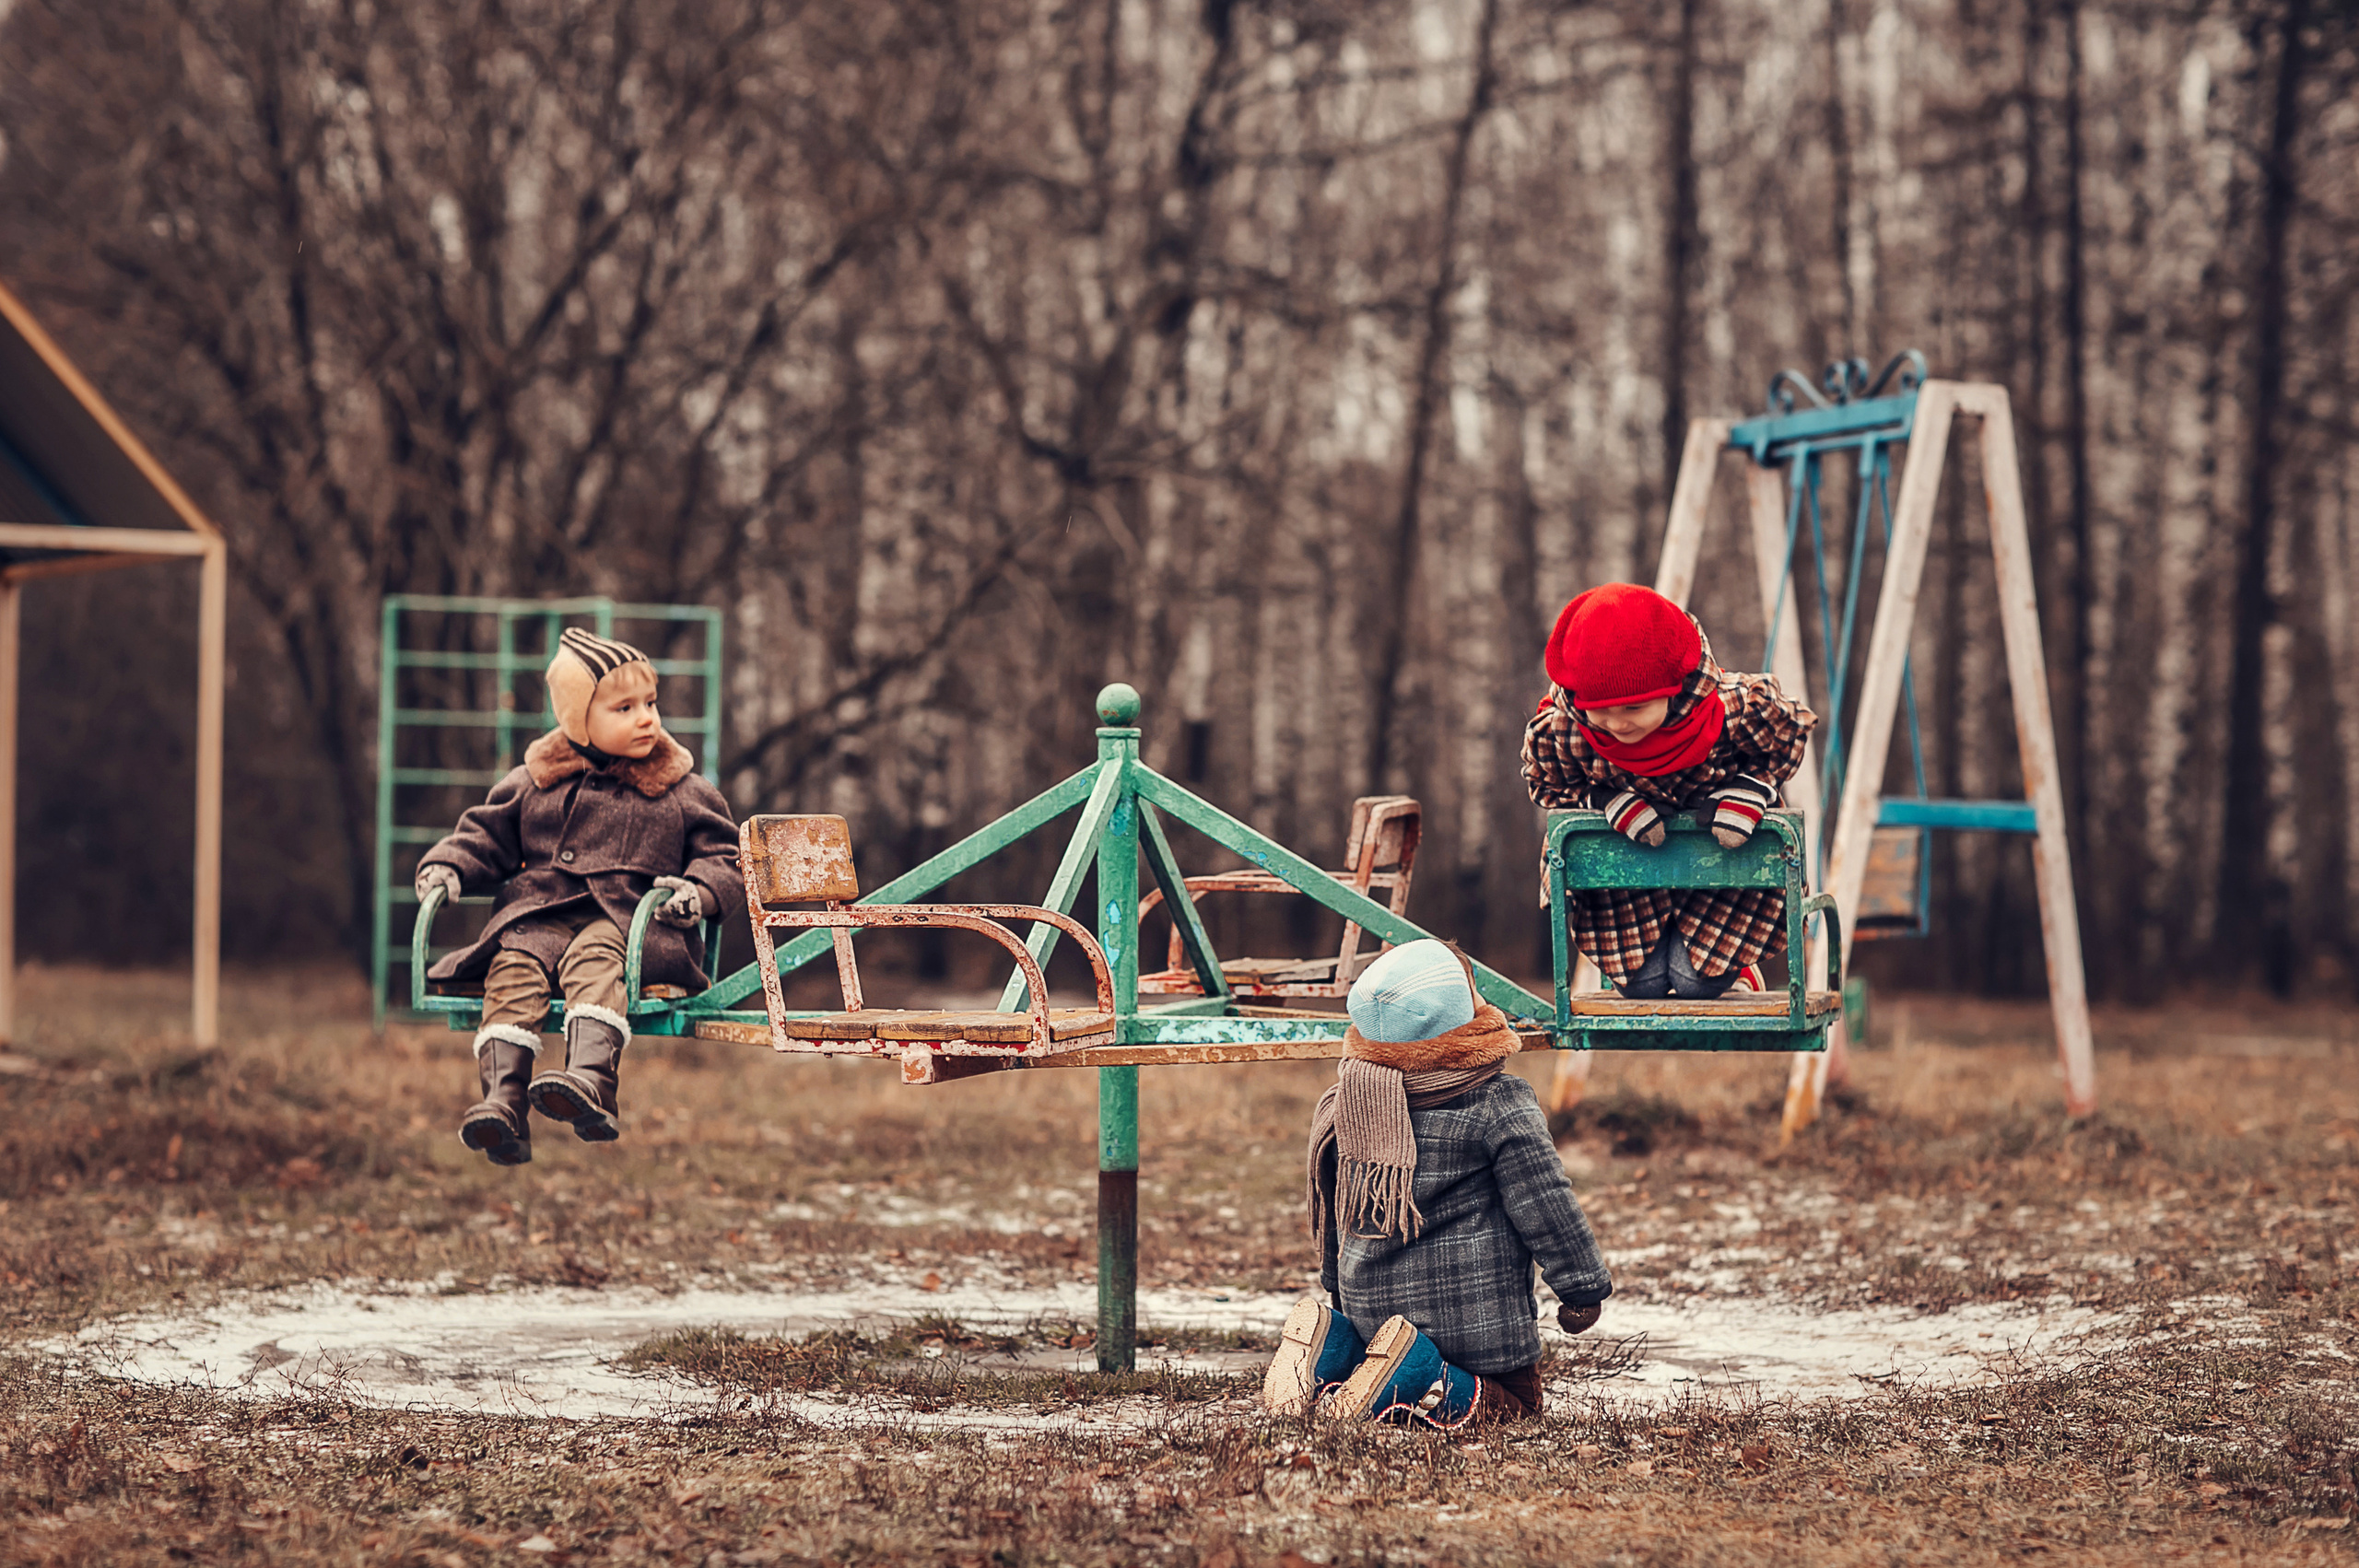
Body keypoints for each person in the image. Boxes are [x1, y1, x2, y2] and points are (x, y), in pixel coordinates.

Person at [415, 628, 742, 1165]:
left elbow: (724, 855)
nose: (646, 718)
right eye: (624, 707)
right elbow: (485, 837)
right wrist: (449, 867)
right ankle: (504, 1104)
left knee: (596, 958)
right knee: (512, 965)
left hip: (627, 919)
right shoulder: (536, 781)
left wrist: (700, 893)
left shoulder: (679, 788)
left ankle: (590, 1082)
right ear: (576, 720)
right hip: (540, 915)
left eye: (650, 703)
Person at [1262, 940, 1614, 1428]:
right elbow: (1545, 1202)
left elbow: (1332, 1214)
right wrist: (1582, 1289)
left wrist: (1334, 1289)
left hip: (1369, 1315)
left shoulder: (1348, 1102)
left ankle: (1333, 1351)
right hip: (1473, 1327)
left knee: (1366, 1356)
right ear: (1461, 1016)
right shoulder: (1496, 1102)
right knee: (1518, 1407)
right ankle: (1420, 1375)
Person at [1520, 582, 1816, 999]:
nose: (1618, 724)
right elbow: (1548, 785)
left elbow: (1788, 734)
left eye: (1634, 708)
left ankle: (1735, 971)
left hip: (1720, 881)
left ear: (1672, 689)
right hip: (1629, 888)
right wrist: (1602, 801)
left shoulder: (1726, 711)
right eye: (1601, 711)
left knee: (1697, 983)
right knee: (1643, 986)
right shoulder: (1566, 731)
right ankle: (1665, 965)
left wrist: (1753, 788)